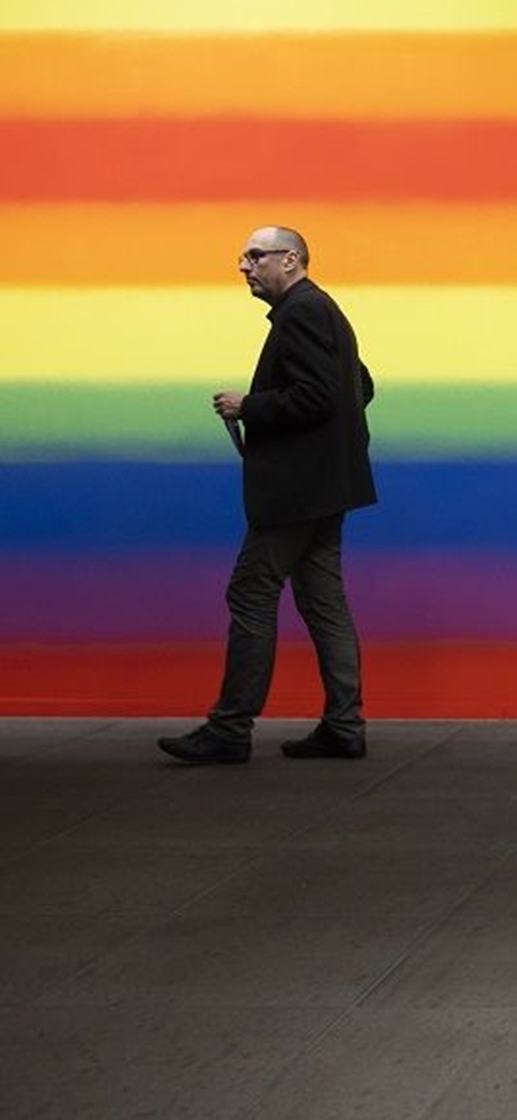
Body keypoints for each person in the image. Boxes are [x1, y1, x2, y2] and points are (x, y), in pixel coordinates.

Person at [158, 226, 376, 764]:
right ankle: (343, 725)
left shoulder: (302, 313)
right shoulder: (322, 310)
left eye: (256, 256)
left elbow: (318, 396)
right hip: (328, 486)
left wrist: (248, 407)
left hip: (297, 492)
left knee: (251, 593)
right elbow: (359, 386)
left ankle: (230, 728)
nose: (244, 266)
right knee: (323, 602)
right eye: (244, 257)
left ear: (291, 260)